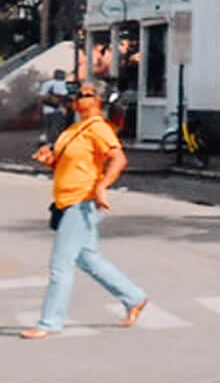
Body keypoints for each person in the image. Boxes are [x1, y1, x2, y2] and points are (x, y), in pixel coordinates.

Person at [23, 84, 147, 338]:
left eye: (85, 95)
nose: (79, 99)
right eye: (77, 95)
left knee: (60, 265)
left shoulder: (99, 128)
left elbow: (118, 159)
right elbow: (65, 165)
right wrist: (50, 160)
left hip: (82, 202)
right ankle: (134, 297)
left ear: (98, 100)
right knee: (88, 259)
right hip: (65, 201)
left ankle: (49, 323)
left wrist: (102, 187)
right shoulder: (72, 130)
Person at [37, 70, 70, 146]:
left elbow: (41, 97)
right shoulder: (64, 84)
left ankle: (46, 140)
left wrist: (39, 109)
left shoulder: (47, 84)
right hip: (59, 110)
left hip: (47, 110)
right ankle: (54, 143)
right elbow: (66, 97)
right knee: (57, 127)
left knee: (47, 127)